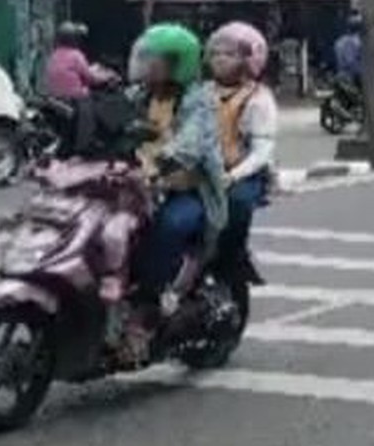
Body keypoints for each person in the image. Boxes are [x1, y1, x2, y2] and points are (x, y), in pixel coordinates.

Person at [127, 23, 227, 313]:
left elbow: (190, 144)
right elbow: (114, 121)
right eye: (144, 59)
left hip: (188, 191)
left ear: (177, 64)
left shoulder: (199, 101)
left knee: (168, 226)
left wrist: (161, 163)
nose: (147, 67)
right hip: (139, 187)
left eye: (153, 61)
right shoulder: (138, 96)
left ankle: (157, 295)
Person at [207, 22, 277, 264]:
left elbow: (262, 151)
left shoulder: (258, 98)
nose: (220, 59)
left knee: (235, 206)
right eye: (215, 53)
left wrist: (233, 176)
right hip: (203, 170)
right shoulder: (202, 92)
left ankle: (230, 262)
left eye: (229, 54)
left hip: (244, 174)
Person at [43, 21, 115, 101]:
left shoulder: (54, 55)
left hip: (55, 97)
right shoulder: (76, 55)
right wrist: (107, 76)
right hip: (75, 98)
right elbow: (90, 78)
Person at [333, 15, 365, 105]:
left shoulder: (339, 41)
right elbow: (352, 62)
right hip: (352, 74)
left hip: (341, 72)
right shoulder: (356, 42)